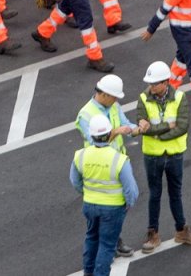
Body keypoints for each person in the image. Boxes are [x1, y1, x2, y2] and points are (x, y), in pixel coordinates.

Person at [137, 61, 191, 253]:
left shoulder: (180, 97)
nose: (151, 87)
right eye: (150, 83)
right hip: (152, 156)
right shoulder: (143, 98)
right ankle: (153, 234)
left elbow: (182, 126)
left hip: (174, 154)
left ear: (165, 82)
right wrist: (167, 127)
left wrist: (157, 133)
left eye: (155, 84)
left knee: (175, 193)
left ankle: (181, 230)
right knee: (154, 194)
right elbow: (144, 127)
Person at [77, 73, 141, 260]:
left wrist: (137, 129)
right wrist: (117, 131)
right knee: (101, 211)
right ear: (103, 94)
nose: (115, 101)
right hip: (97, 167)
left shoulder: (113, 106)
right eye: (113, 97)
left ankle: (113, 241)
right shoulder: (86, 114)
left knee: (118, 208)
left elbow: (125, 124)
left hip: (115, 164)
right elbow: (94, 139)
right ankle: (106, 247)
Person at [71, 113, 139, 276]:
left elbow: (75, 181)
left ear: (92, 136)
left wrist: (87, 193)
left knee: (91, 239)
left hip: (90, 205)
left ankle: (88, 273)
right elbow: (131, 190)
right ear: (110, 134)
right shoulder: (119, 159)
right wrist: (128, 204)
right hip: (113, 208)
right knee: (107, 245)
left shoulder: (80, 155)